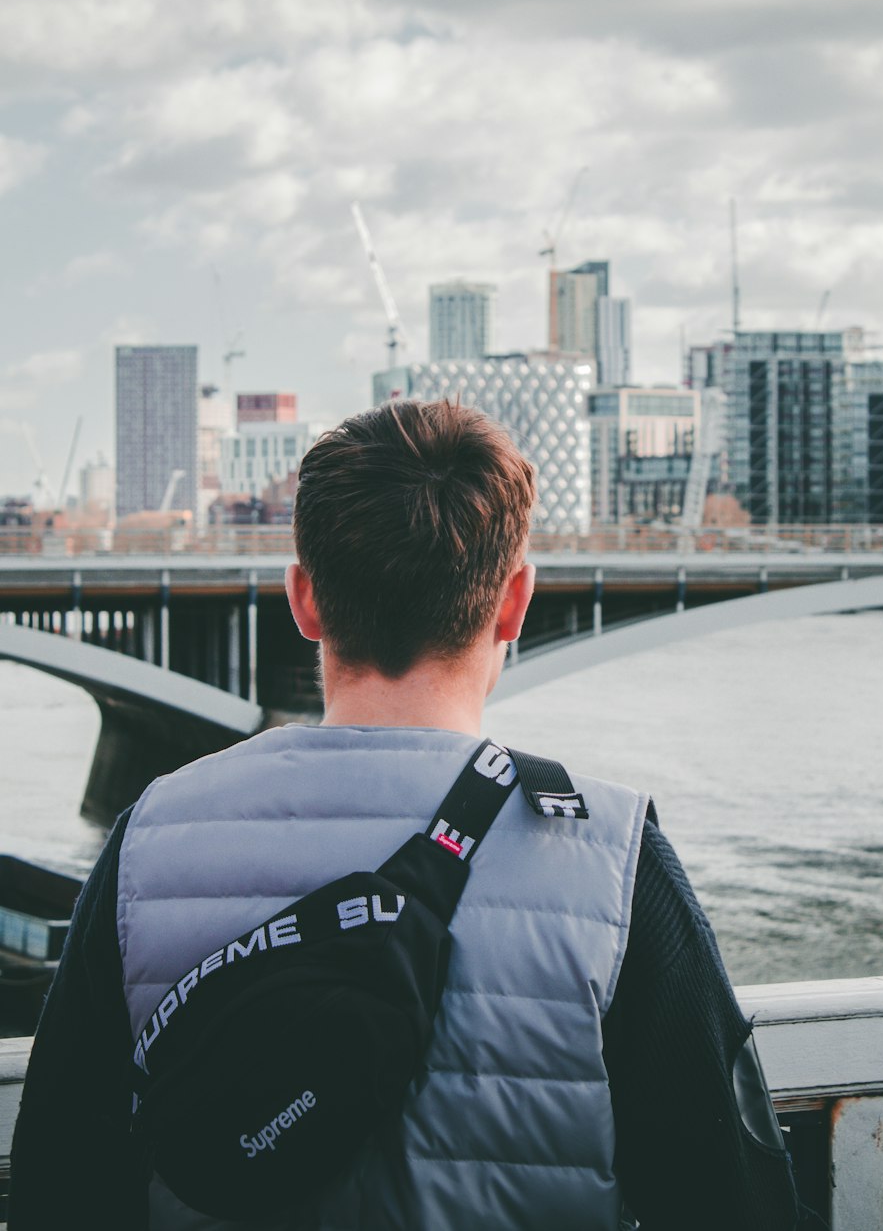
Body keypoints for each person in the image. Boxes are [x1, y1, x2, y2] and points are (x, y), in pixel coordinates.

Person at [9, 399, 798, 1230]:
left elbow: (57, 1187)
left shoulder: (146, 845)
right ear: (515, 602)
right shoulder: (613, 859)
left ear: (304, 601)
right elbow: (736, 1197)